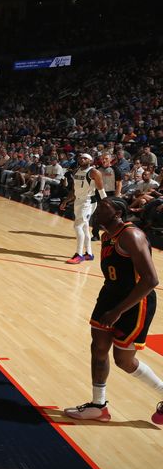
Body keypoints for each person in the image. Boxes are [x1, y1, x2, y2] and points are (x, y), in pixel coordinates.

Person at [64, 197, 163, 424]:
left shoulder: (131, 235)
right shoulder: (108, 235)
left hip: (135, 302)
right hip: (110, 295)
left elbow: (150, 280)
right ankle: (99, 406)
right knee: (98, 347)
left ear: (118, 212)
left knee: (123, 360)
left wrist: (118, 311)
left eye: (102, 208)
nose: (97, 211)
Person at [59, 154, 105, 264]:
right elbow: (74, 190)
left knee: (77, 226)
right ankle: (89, 253)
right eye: (80, 158)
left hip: (88, 202)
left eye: (85, 158)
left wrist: (106, 204)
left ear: (91, 160)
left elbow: (101, 189)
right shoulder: (76, 171)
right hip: (78, 201)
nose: (82, 159)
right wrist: (66, 201)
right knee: (84, 228)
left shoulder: (94, 172)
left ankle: (79, 254)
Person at [91, 153, 122, 240]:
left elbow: (119, 184)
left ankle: (111, 235)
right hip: (98, 194)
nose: (104, 160)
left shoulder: (115, 169)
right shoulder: (97, 170)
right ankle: (95, 235)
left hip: (110, 194)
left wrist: (116, 196)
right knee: (96, 214)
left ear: (110, 159)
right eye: (102, 158)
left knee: (111, 216)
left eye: (106, 158)